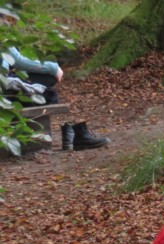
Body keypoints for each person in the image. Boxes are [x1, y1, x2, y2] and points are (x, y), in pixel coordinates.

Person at [0, 7, 110, 151]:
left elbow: (16, 62)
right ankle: (74, 131)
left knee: (47, 84)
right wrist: (53, 68)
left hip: (6, 86)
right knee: (49, 91)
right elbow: (19, 61)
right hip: (5, 93)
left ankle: (74, 131)